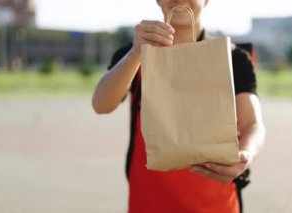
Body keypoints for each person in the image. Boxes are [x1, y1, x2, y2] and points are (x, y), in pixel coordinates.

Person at [92, 0, 266, 212]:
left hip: (215, 204)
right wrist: (135, 55)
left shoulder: (231, 57)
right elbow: (101, 104)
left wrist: (245, 155)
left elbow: (253, 125)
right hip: (149, 202)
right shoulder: (137, 53)